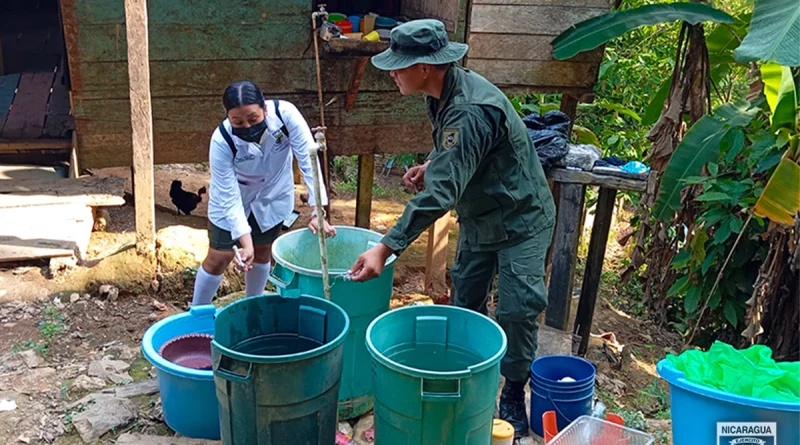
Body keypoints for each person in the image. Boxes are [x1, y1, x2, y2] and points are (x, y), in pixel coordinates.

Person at [347, 20, 556, 437]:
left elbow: (441, 195)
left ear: (427, 66)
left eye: (400, 65)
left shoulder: (469, 109)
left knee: (517, 308)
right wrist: (433, 166)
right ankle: (463, 382)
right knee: (466, 299)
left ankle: (513, 389)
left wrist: (386, 248)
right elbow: (458, 154)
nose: (392, 72)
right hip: (481, 215)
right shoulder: (442, 93)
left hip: (521, 218)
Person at [192, 80, 336, 306]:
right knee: (220, 256)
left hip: (273, 194)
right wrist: (244, 241)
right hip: (235, 195)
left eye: (253, 119)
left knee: (262, 252)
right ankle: (196, 312)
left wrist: (318, 211)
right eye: (238, 121)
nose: (247, 126)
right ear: (228, 117)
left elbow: (309, 161)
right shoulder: (221, 140)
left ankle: (253, 305)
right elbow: (229, 198)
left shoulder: (285, 115)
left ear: (265, 109)